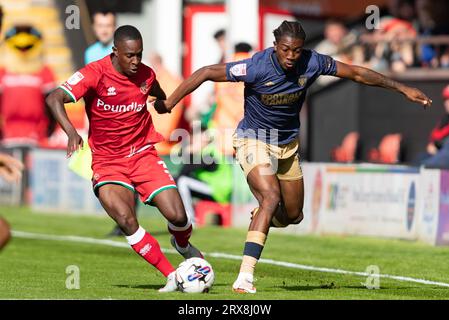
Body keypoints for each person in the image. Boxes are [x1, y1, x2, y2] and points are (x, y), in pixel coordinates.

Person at [153, 20, 432, 293]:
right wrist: (170, 101)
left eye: (296, 50)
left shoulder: (313, 62)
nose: (290, 56)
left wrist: (402, 88)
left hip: (287, 145)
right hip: (253, 140)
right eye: (285, 50)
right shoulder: (256, 66)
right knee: (271, 197)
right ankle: (245, 276)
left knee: (293, 215)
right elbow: (206, 72)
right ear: (275, 46)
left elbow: (357, 73)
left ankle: (262, 215)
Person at [46, 25, 203, 292]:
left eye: (139, 55)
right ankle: (171, 276)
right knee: (126, 219)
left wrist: (164, 104)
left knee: (178, 216)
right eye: (129, 55)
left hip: (142, 154)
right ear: (115, 52)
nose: (135, 61)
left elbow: (158, 94)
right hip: (107, 161)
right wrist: (72, 133)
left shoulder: (146, 75)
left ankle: (183, 245)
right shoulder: (95, 73)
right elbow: (54, 98)